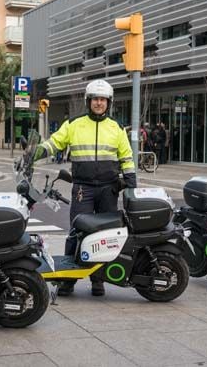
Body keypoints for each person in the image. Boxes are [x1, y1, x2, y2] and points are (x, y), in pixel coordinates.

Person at [35, 79, 136, 297]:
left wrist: (130, 184)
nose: (99, 103)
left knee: (105, 235)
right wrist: (36, 152)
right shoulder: (74, 124)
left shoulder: (116, 128)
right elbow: (54, 143)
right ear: (88, 101)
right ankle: (68, 281)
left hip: (109, 188)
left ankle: (98, 280)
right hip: (83, 188)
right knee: (75, 232)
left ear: (109, 102)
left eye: (103, 100)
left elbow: (127, 158)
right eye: (95, 99)